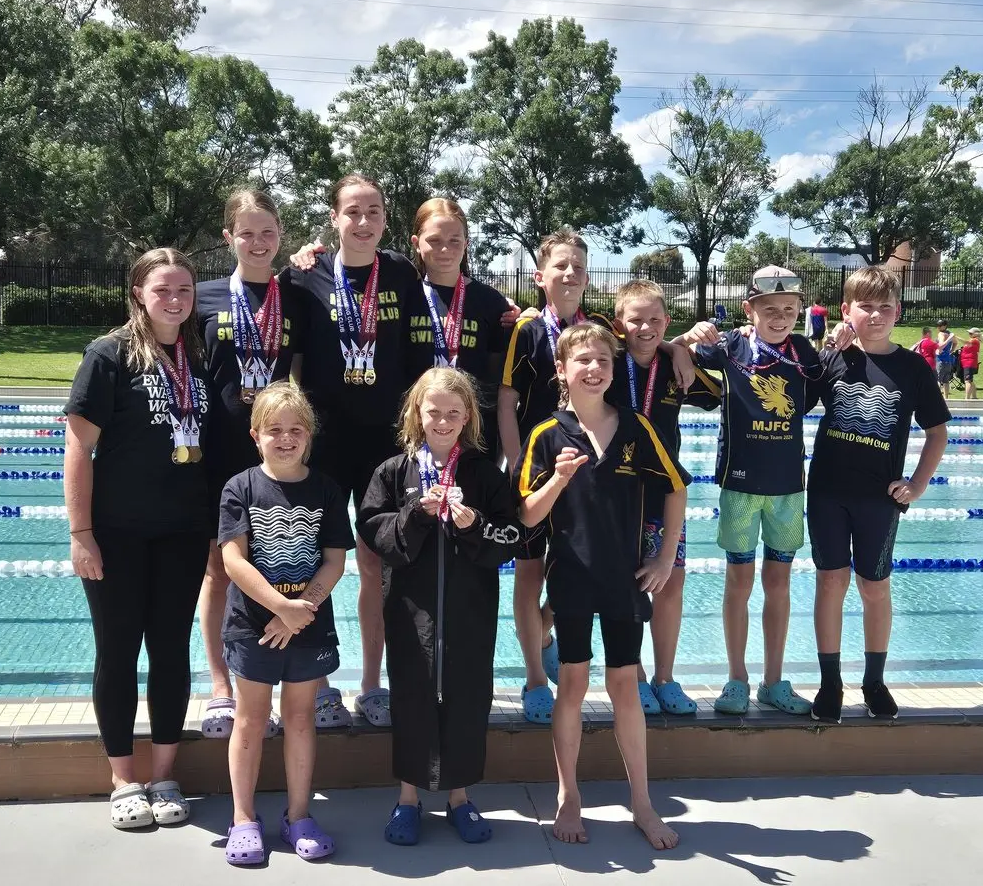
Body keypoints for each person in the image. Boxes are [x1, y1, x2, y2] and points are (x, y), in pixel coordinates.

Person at [500, 228, 693, 725]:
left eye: (578, 267)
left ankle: (553, 641)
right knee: (529, 575)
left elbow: (643, 340)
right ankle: (535, 678)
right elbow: (507, 402)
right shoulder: (527, 331)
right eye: (560, 265)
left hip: (587, 476)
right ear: (540, 275)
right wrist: (521, 464)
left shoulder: (600, 328)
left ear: (588, 276)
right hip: (541, 470)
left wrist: (678, 348)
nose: (570, 274)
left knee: (575, 570)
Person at [513, 322, 688, 850]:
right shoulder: (547, 434)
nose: (595, 368)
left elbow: (676, 489)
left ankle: (642, 802)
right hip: (570, 581)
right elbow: (525, 514)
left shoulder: (636, 427)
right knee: (571, 687)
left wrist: (663, 556)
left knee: (625, 689)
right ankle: (569, 796)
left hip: (623, 580)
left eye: (604, 361)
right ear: (562, 371)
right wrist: (557, 479)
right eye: (583, 360)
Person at [63, 248, 212, 830]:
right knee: (119, 653)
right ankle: (124, 777)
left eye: (184, 290)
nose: (175, 301)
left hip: (182, 531)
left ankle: (165, 772)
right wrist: (82, 534)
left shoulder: (199, 353)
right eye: (162, 290)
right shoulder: (108, 355)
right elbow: (78, 448)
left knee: (172, 651)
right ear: (138, 295)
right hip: (118, 533)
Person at [283, 173, 435, 728]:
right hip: (323, 441)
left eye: (373, 210)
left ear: (385, 218)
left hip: (383, 443)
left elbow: (420, 357)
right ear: (334, 217)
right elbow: (290, 360)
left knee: (376, 562)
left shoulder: (399, 273)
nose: (363, 221)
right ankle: (317, 685)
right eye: (353, 211)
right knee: (306, 559)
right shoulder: (304, 276)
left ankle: (373, 683)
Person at [358, 368, 523, 846]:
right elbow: (373, 530)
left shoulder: (483, 473)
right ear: (417, 413)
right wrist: (414, 514)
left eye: (454, 412)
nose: (444, 420)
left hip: (470, 613)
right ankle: (407, 798)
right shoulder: (393, 472)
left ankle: (459, 797)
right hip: (411, 613)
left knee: (468, 699)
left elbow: (509, 536)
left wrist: (473, 526)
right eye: (434, 412)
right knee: (410, 697)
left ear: (468, 416)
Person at [676, 266, 824, 716]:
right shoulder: (731, 346)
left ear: (799, 311)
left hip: (787, 489)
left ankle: (773, 680)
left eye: (789, 309)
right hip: (739, 486)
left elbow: (818, 393)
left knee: (778, 584)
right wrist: (690, 337)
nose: (779, 317)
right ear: (749, 309)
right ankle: (736, 678)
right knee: (739, 582)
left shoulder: (805, 354)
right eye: (769, 309)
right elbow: (670, 349)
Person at [807, 266, 950, 723]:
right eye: (864, 306)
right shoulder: (834, 357)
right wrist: (827, 346)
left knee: (875, 586)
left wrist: (918, 484)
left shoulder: (911, 367)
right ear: (846, 310)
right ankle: (831, 682)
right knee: (831, 582)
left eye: (885, 306)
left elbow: (937, 432)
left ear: (898, 312)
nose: (875, 314)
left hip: (878, 499)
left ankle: (874, 681)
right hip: (828, 491)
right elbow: (797, 397)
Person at [218, 382, 352, 865]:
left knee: (299, 718)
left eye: (296, 430)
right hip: (253, 623)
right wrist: (280, 607)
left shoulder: (326, 489)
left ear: (310, 436)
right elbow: (234, 560)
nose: (286, 439)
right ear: (256, 435)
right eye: (275, 430)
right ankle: (243, 818)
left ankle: (298, 815)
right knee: (251, 720)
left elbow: (334, 560)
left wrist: (302, 610)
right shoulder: (240, 488)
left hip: (308, 622)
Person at [195, 189, 298, 740]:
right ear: (229, 237)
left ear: (280, 235)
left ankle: (297, 679)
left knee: (288, 564)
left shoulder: (297, 295)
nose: (258, 243)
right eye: (247, 233)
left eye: (268, 232)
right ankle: (220, 685)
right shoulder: (205, 296)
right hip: (222, 449)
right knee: (219, 567)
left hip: (280, 451)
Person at [605, 280, 720, 717]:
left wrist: (680, 350)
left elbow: (717, 396)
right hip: (615, 492)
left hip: (663, 492)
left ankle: (665, 675)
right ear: (620, 325)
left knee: (671, 583)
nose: (646, 327)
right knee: (624, 586)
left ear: (667, 322)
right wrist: (677, 345)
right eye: (636, 319)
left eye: (656, 320)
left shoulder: (678, 368)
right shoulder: (609, 361)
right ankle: (633, 673)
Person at [407, 198, 519, 460]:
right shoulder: (403, 295)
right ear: (416, 243)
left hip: (473, 434)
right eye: (434, 240)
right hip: (415, 430)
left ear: (466, 245)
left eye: (455, 240)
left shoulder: (490, 302)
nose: (445, 249)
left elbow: (495, 376)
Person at [934, 320, 957, 397]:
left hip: (940, 359)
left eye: (940, 326)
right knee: (946, 381)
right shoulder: (950, 333)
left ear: (944, 326)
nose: (938, 327)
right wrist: (951, 350)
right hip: (948, 360)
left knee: (938, 379)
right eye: (937, 326)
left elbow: (940, 346)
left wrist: (947, 340)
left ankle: (936, 397)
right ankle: (946, 398)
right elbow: (955, 342)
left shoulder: (941, 334)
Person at [960, 327, 983, 400]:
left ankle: (967, 398)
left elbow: (966, 342)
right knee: (970, 380)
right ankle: (974, 396)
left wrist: (955, 337)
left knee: (967, 381)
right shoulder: (973, 340)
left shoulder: (975, 340)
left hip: (969, 362)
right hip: (967, 362)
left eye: (971, 333)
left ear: (976, 334)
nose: (969, 334)